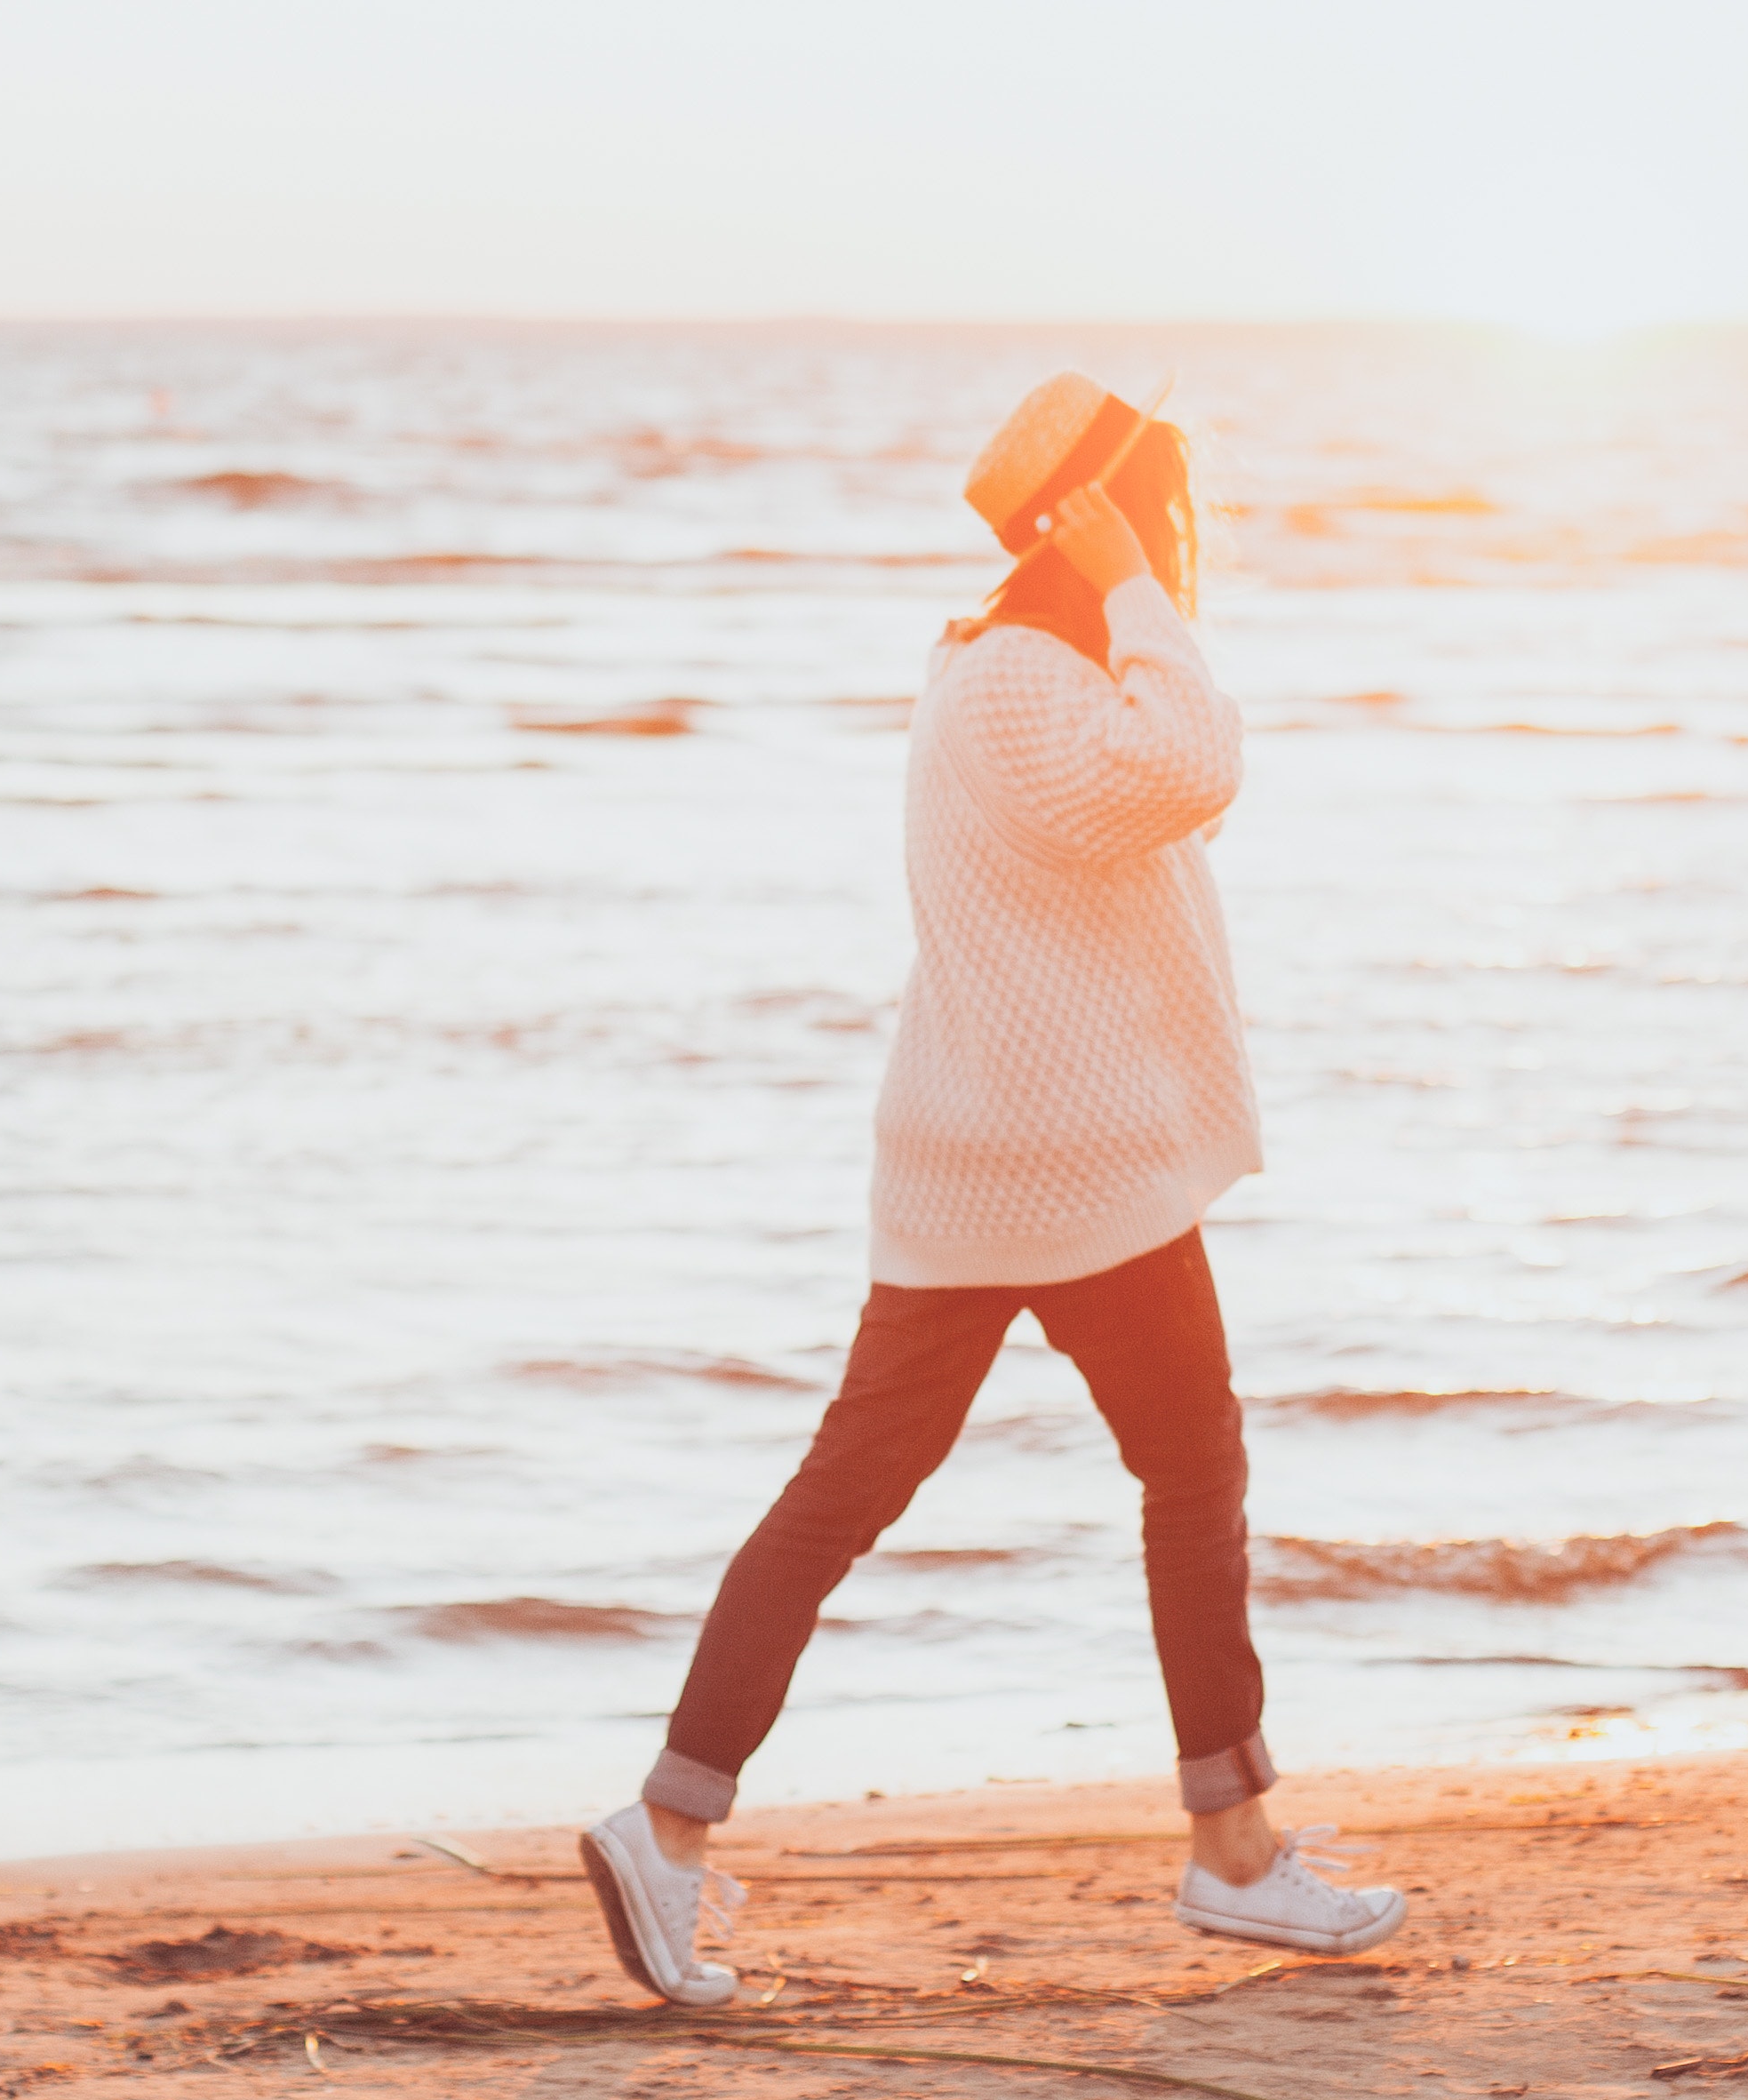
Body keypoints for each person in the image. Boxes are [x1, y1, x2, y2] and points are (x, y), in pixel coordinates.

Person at [574, 371, 1408, 2007]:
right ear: (1097, 518)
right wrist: (1131, 582)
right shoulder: (1033, 674)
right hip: (1072, 1172)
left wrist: (1118, 592)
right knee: (1191, 1480)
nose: (1180, 539)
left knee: (846, 1496)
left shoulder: (986, 666)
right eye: (1156, 507)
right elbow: (1192, 763)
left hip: (977, 1166)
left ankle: (668, 1832)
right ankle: (1234, 1855)